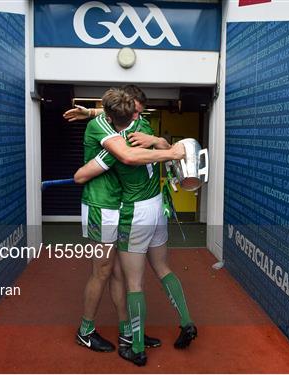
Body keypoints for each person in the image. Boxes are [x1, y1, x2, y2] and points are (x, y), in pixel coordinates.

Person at [75, 89, 197, 367]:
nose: (139, 116)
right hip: (100, 205)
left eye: (141, 111)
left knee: (122, 274)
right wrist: (167, 151)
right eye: (136, 111)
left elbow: (137, 149)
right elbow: (101, 166)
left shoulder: (137, 126)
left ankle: (129, 334)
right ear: (127, 111)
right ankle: (86, 330)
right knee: (105, 270)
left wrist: (158, 144)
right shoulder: (105, 131)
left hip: (124, 207)